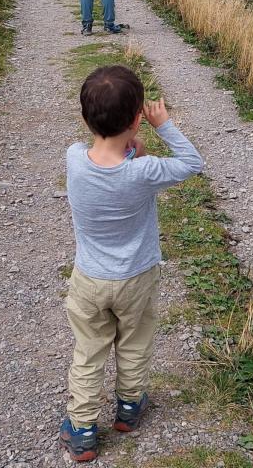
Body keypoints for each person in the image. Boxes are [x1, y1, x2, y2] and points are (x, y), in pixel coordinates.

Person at [59, 65, 203, 462]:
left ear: (85, 117)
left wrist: (132, 146)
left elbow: (105, 158)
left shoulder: (74, 159)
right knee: (135, 344)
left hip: (89, 279)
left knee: (89, 351)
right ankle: (128, 407)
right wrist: (164, 127)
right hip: (137, 278)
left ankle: (83, 428)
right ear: (139, 117)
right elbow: (193, 163)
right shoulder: (144, 172)